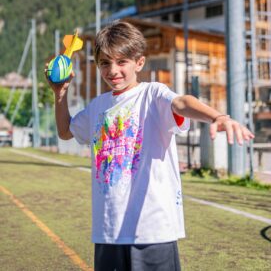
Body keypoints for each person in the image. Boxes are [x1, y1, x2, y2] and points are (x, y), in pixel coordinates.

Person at [45, 21, 254, 271]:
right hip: (108, 232)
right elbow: (66, 131)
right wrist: (60, 94)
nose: (113, 70)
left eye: (122, 62)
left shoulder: (152, 94)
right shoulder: (97, 106)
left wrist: (218, 117)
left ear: (139, 63)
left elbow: (181, 103)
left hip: (152, 231)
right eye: (105, 63)